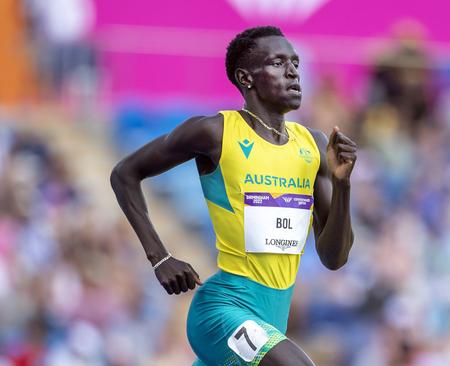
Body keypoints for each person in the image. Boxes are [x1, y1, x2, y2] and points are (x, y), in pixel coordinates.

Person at [110, 26, 357, 366]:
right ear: (246, 77)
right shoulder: (215, 132)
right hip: (222, 312)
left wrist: (343, 185)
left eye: (296, 63)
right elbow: (125, 173)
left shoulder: (312, 146)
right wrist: (160, 257)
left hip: (271, 321)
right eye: (278, 63)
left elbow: (334, 258)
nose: (293, 72)